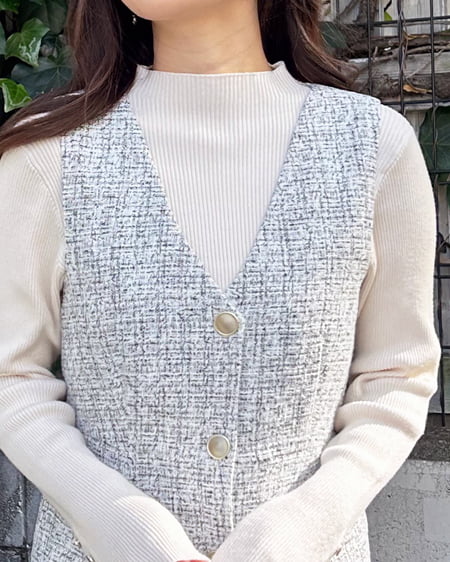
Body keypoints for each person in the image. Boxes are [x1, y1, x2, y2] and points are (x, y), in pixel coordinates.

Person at [0, 0, 442, 561]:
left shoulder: (372, 145)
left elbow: (397, 375)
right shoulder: (49, 153)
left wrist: (300, 528)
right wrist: (118, 523)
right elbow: (11, 374)